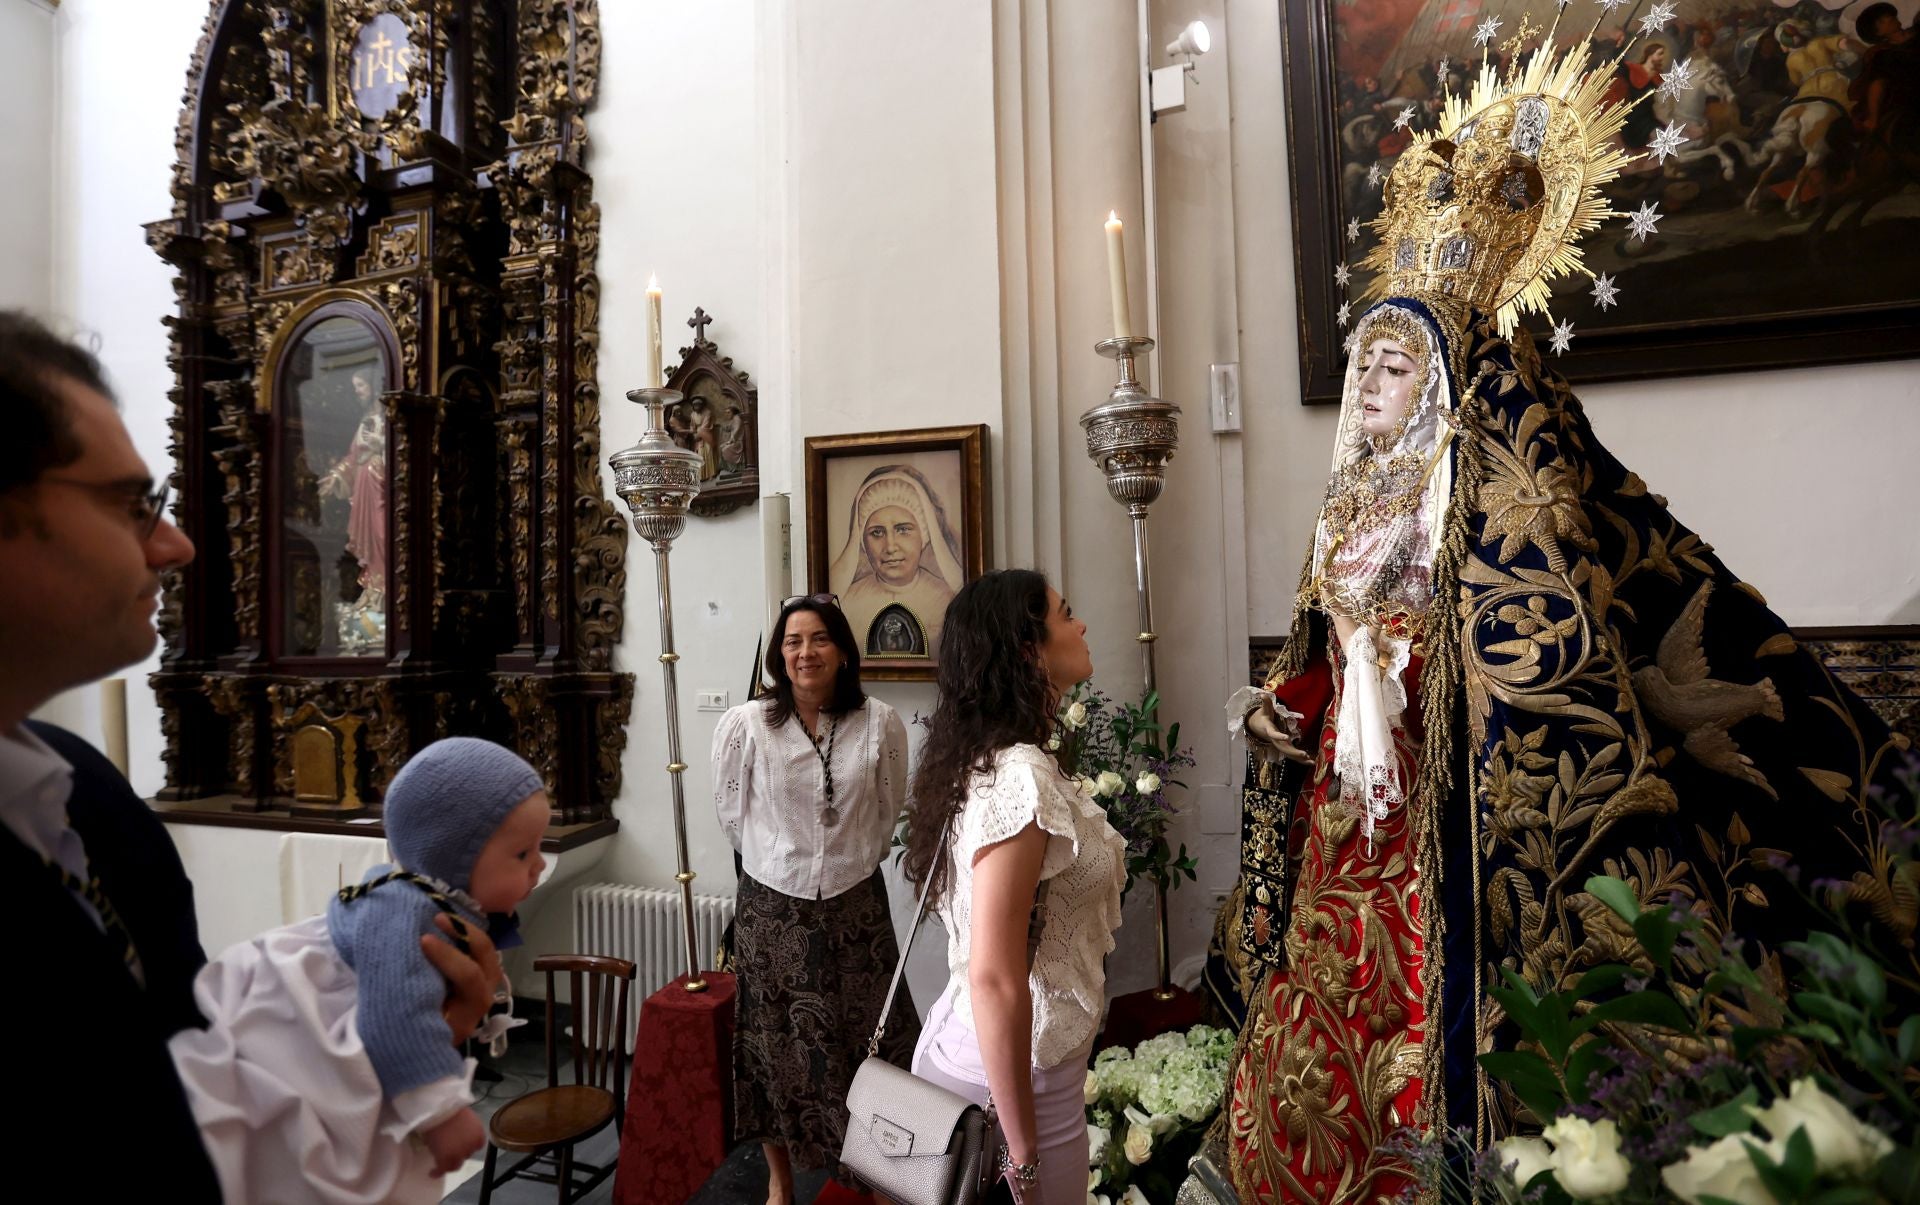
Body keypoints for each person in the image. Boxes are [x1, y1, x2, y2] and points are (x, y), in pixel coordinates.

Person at [1224, 40, 1911, 1203]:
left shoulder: (1504, 499)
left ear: (1443, 383)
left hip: (1453, 825)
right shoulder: (1348, 511)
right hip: (1352, 824)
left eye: (1394, 370)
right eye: (1363, 370)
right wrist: (1271, 715)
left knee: (1431, 1044)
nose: (1370, 391)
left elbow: (1544, 658)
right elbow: (1313, 664)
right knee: (1324, 1043)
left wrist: (1408, 673)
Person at [0, 310, 499, 1201]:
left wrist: (392, 1044)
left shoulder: (87, 800)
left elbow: (171, 1115)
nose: (176, 544)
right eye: (129, 504)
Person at [168, 737, 547, 1204]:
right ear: (455, 857)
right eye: (523, 855)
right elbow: (393, 1014)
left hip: (356, 1022)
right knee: (325, 1149)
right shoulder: (405, 909)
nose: (539, 866)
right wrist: (442, 1114)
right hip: (304, 1021)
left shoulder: (437, 904)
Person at [903, 570, 1126, 1205]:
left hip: (1000, 1062)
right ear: (1028, 649)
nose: (1081, 625)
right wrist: (1022, 1156)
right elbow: (996, 975)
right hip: (1008, 1085)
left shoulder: (995, 758)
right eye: (1066, 614)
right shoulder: (1018, 776)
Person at [712, 594, 917, 1205]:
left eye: (820, 638)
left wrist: (847, 860)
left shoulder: (880, 722)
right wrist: (784, 863)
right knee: (773, 1048)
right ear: (780, 654)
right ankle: (779, 1182)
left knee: (872, 1045)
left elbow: (888, 811)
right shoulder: (747, 726)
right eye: (794, 641)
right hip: (772, 911)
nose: (806, 652)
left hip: (857, 910)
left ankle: (880, 1175)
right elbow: (730, 815)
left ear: (843, 651)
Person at [830, 465, 966, 659]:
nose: (891, 546)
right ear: (862, 542)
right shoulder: (846, 604)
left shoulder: (948, 601)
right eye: (877, 532)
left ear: (924, 536)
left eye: (903, 530)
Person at [320, 363, 388, 614]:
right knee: (370, 537)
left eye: (360, 385)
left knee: (383, 534)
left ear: (373, 387)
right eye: (355, 387)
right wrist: (335, 477)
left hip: (378, 480)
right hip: (363, 484)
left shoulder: (385, 417)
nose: (357, 391)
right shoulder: (365, 420)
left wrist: (381, 443)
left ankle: (386, 590)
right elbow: (351, 456)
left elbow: (401, 448)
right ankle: (373, 590)